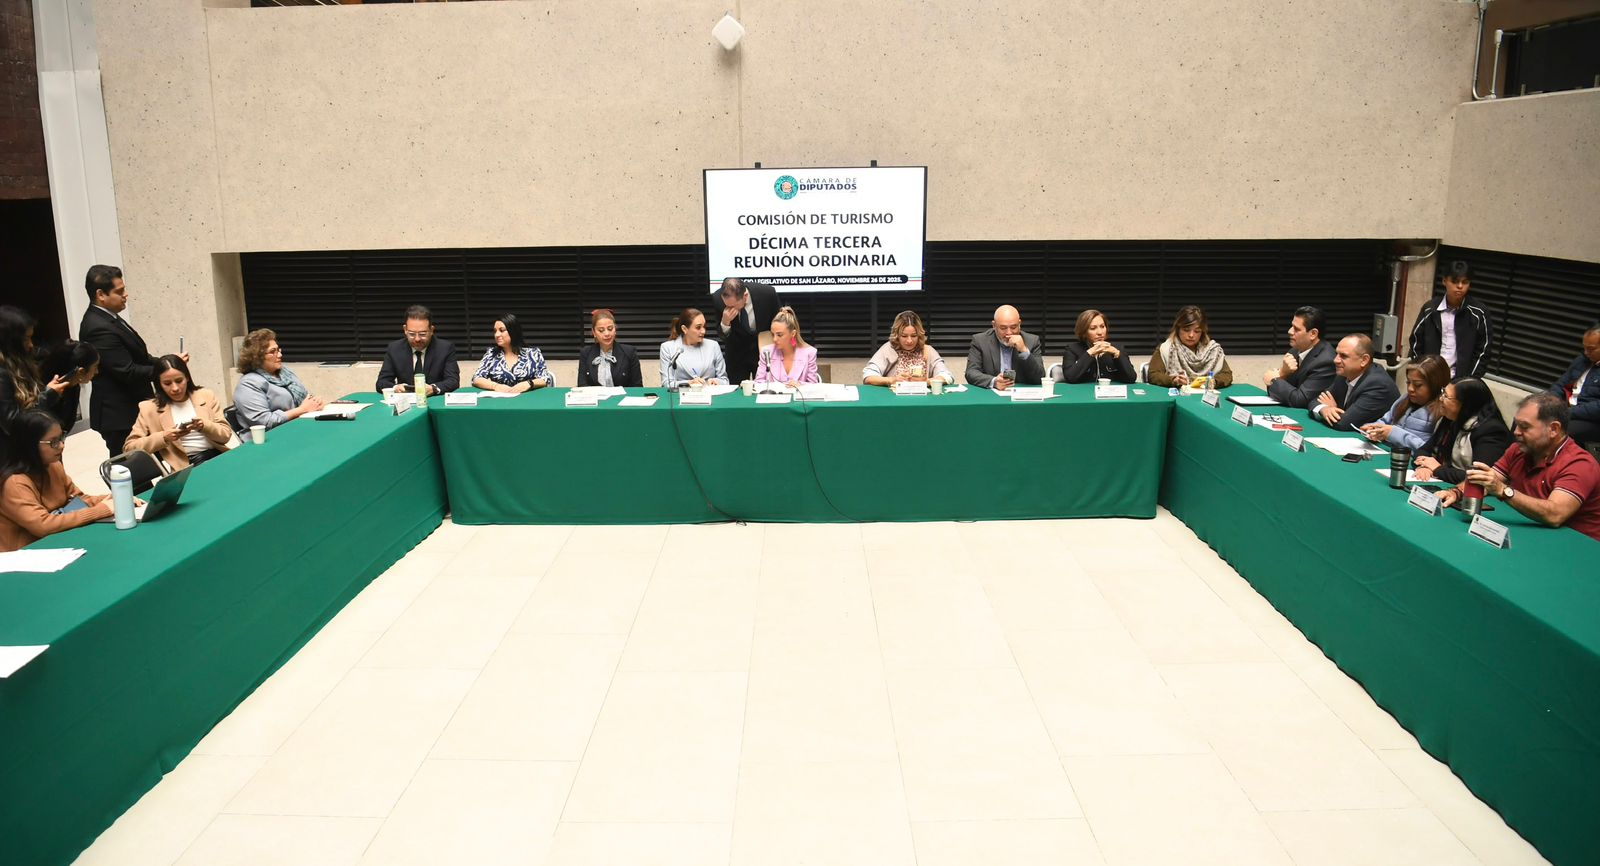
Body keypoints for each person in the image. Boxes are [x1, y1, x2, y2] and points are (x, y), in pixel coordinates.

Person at [1438, 393, 1600, 541]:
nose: (1516, 432)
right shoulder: (1519, 450)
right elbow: (1487, 480)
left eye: (1525, 427)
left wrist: (1504, 491)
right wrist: (1456, 492)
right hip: (1532, 531)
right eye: (1516, 425)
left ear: (1553, 429)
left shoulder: (1579, 464)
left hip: (1576, 544)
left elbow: (1555, 515)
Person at [78, 265, 184, 457]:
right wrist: (165, 372)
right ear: (101, 295)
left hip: (132, 407)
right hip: (119, 414)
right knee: (133, 469)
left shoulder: (110, 317)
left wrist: (168, 363)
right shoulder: (97, 327)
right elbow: (126, 371)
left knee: (157, 460)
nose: (125, 295)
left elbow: (140, 357)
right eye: (119, 292)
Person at [0, 410, 113, 552]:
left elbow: (79, 499)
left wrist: (114, 499)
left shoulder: (53, 466)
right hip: (23, 555)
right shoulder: (14, 483)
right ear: (29, 445)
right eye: (53, 442)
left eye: (61, 438)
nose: (61, 445)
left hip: (57, 544)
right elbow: (43, 526)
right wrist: (101, 510)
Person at [125, 355, 235, 469]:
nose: (175, 388)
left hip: (218, 456)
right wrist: (164, 437)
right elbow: (129, 450)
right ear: (159, 384)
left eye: (179, 381)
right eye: (167, 383)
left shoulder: (206, 395)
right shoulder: (149, 408)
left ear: (187, 378)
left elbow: (225, 435)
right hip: (187, 466)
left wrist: (204, 426)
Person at [1413, 378, 1511, 484]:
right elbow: (1424, 450)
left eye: (1446, 396)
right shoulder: (1451, 417)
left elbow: (1480, 477)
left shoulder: (1491, 431)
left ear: (1466, 404)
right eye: (1443, 392)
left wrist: (1437, 469)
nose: (1441, 398)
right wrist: (1424, 466)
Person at [1407, 260, 1493, 380]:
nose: (1460, 286)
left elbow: (1483, 351)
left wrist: (1468, 381)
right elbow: (1416, 342)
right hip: (1430, 379)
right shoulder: (1430, 309)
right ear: (1444, 281)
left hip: (1461, 381)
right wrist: (1422, 372)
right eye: (1455, 281)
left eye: (1465, 282)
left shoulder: (1479, 312)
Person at [233, 329, 326, 429]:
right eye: (273, 351)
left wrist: (314, 403)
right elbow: (264, 422)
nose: (280, 355)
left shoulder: (285, 372)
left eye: (278, 350)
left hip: (295, 427)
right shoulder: (248, 384)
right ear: (256, 357)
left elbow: (305, 398)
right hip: (269, 436)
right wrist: (302, 409)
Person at [1310, 334, 1400, 431]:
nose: (1335, 360)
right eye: (1337, 354)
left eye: (1343, 356)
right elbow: (1314, 401)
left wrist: (1332, 410)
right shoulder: (1344, 375)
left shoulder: (1378, 385)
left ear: (1364, 360)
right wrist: (1324, 409)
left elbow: (1344, 424)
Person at [1361, 354, 1450, 451]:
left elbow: (1429, 450)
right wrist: (1374, 428)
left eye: (1418, 385)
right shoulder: (1404, 399)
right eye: (1408, 382)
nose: (1410, 389)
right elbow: (1386, 421)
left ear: (1435, 386)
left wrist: (1392, 433)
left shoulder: (1442, 412)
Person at [375, 304, 459, 395]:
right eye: (412, 334)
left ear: (431, 330)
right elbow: (381, 382)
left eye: (422, 334)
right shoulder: (394, 348)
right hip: (405, 400)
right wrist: (396, 388)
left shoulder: (445, 348)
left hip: (433, 399)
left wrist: (433, 388)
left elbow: (453, 381)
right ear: (405, 329)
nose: (417, 339)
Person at [1264, 305, 1337, 408]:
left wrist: (1274, 380)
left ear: (1313, 334)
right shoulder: (1295, 350)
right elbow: (1281, 393)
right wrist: (1283, 373)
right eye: (1291, 326)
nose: (1290, 331)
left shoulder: (1326, 361)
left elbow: (1300, 400)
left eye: (1296, 329)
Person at [713, 277, 782, 384]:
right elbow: (722, 334)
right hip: (736, 353)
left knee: (766, 387)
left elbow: (780, 322)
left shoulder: (767, 294)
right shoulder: (717, 298)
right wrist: (725, 322)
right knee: (736, 391)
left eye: (733, 306)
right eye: (727, 306)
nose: (729, 308)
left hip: (763, 350)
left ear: (745, 296)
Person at [0, 306, 59, 432]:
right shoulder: (2, 373)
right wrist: (47, 396)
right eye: (26, 339)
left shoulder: (21, 361)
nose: (31, 345)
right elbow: (11, 422)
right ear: (10, 341)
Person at [1147, 305, 1234, 389]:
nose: (1191, 335)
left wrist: (1213, 381)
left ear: (1202, 332)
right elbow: (1153, 375)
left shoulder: (1212, 350)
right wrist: (1174, 380)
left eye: (1197, 331)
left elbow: (1227, 375)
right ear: (1178, 329)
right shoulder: (1166, 349)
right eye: (1186, 330)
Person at [863, 310, 952, 386]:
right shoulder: (889, 349)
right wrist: (891, 380)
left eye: (914, 336)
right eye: (904, 336)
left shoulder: (928, 350)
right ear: (897, 335)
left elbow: (947, 376)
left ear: (919, 335)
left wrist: (927, 381)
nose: (909, 341)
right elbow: (868, 376)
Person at [966, 305, 1044, 390]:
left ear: (1019, 324)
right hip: (992, 394)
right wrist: (994, 381)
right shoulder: (980, 341)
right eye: (1003, 328)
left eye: (1013, 327)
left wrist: (1023, 350)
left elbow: (1040, 378)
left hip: (1021, 394)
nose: (1009, 333)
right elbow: (971, 372)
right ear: (994, 325)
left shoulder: (1032, 341)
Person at [1547, 324, 1600, 447]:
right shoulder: (1582, 360)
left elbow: (1597, 407)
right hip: (1565, 409)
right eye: (1584, 348)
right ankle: (1512, 457)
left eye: (1591, 349)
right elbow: (1561, 384)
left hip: (1589, 419)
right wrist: (1549, 401)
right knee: (1526, 417)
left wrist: (1568, 412)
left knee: (1552, 431)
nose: (1586, 353)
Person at [471, 314, 554, 393]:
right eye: (495, 331)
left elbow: (545, 378)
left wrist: (529, 383)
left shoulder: (533, 353)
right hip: (501, 399)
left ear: (513, 331)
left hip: (528, 398)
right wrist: (496, 386)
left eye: (502, 330)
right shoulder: (491, 354)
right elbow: (476, 378)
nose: (497, 335)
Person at [1055, 309, 1136, 385]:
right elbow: (1070, 378)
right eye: (1093, 328)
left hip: (1110, 393)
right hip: (1084, 393)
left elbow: (1131, 378)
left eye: (1102, 326)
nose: (1100, 332)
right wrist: (1090, 353)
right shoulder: (1072, 349)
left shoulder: (1117, 348)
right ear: (1084, 332)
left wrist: (1117, 354)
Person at [38, 340, 100, 432]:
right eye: (95, 367)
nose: (97, 372)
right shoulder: (46, 394)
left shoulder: (74, 387)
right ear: (81, 371)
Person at [659, 307, 726, 390]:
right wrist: (689, 383)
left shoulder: (713, 346)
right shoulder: (667, 348)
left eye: (704, 326)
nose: (703, 331)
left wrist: (716, 381)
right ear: (684, 329)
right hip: (681, 395)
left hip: (710, 395)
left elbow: (724, 380)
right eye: (698, 327)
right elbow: (666, 383)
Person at [754, 306, 820, 386]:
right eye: (773, 334)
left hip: (798, 394)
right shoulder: (766, 352)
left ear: (793, 334)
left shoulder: (810, 353)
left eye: (779, 335)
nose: (774, 339)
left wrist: (800, 384)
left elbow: (814, 385)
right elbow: (758, 382)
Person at [576, 309, 642, 387]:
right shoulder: (586, 353)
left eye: (610, 329)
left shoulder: (629, 352)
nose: (607, 334)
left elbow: (637, 387)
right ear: (594, 333)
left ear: (615, 329)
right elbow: (582, 385)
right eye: (601, 330)